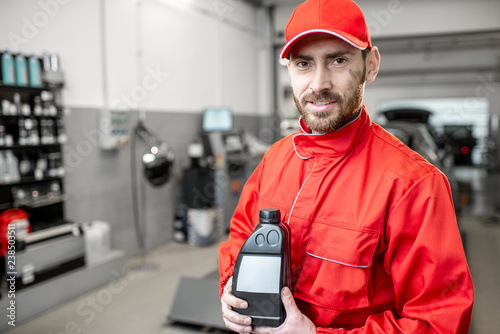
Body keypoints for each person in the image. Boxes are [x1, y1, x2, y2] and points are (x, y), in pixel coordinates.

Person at [218, 0, 474, 333]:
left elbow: (438, 321)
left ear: (371, 65)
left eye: (338, 60)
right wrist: (231, 285)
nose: (319, 83)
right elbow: (240, 235)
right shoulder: (275, 159)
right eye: (304, 64)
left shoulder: (414, 185)